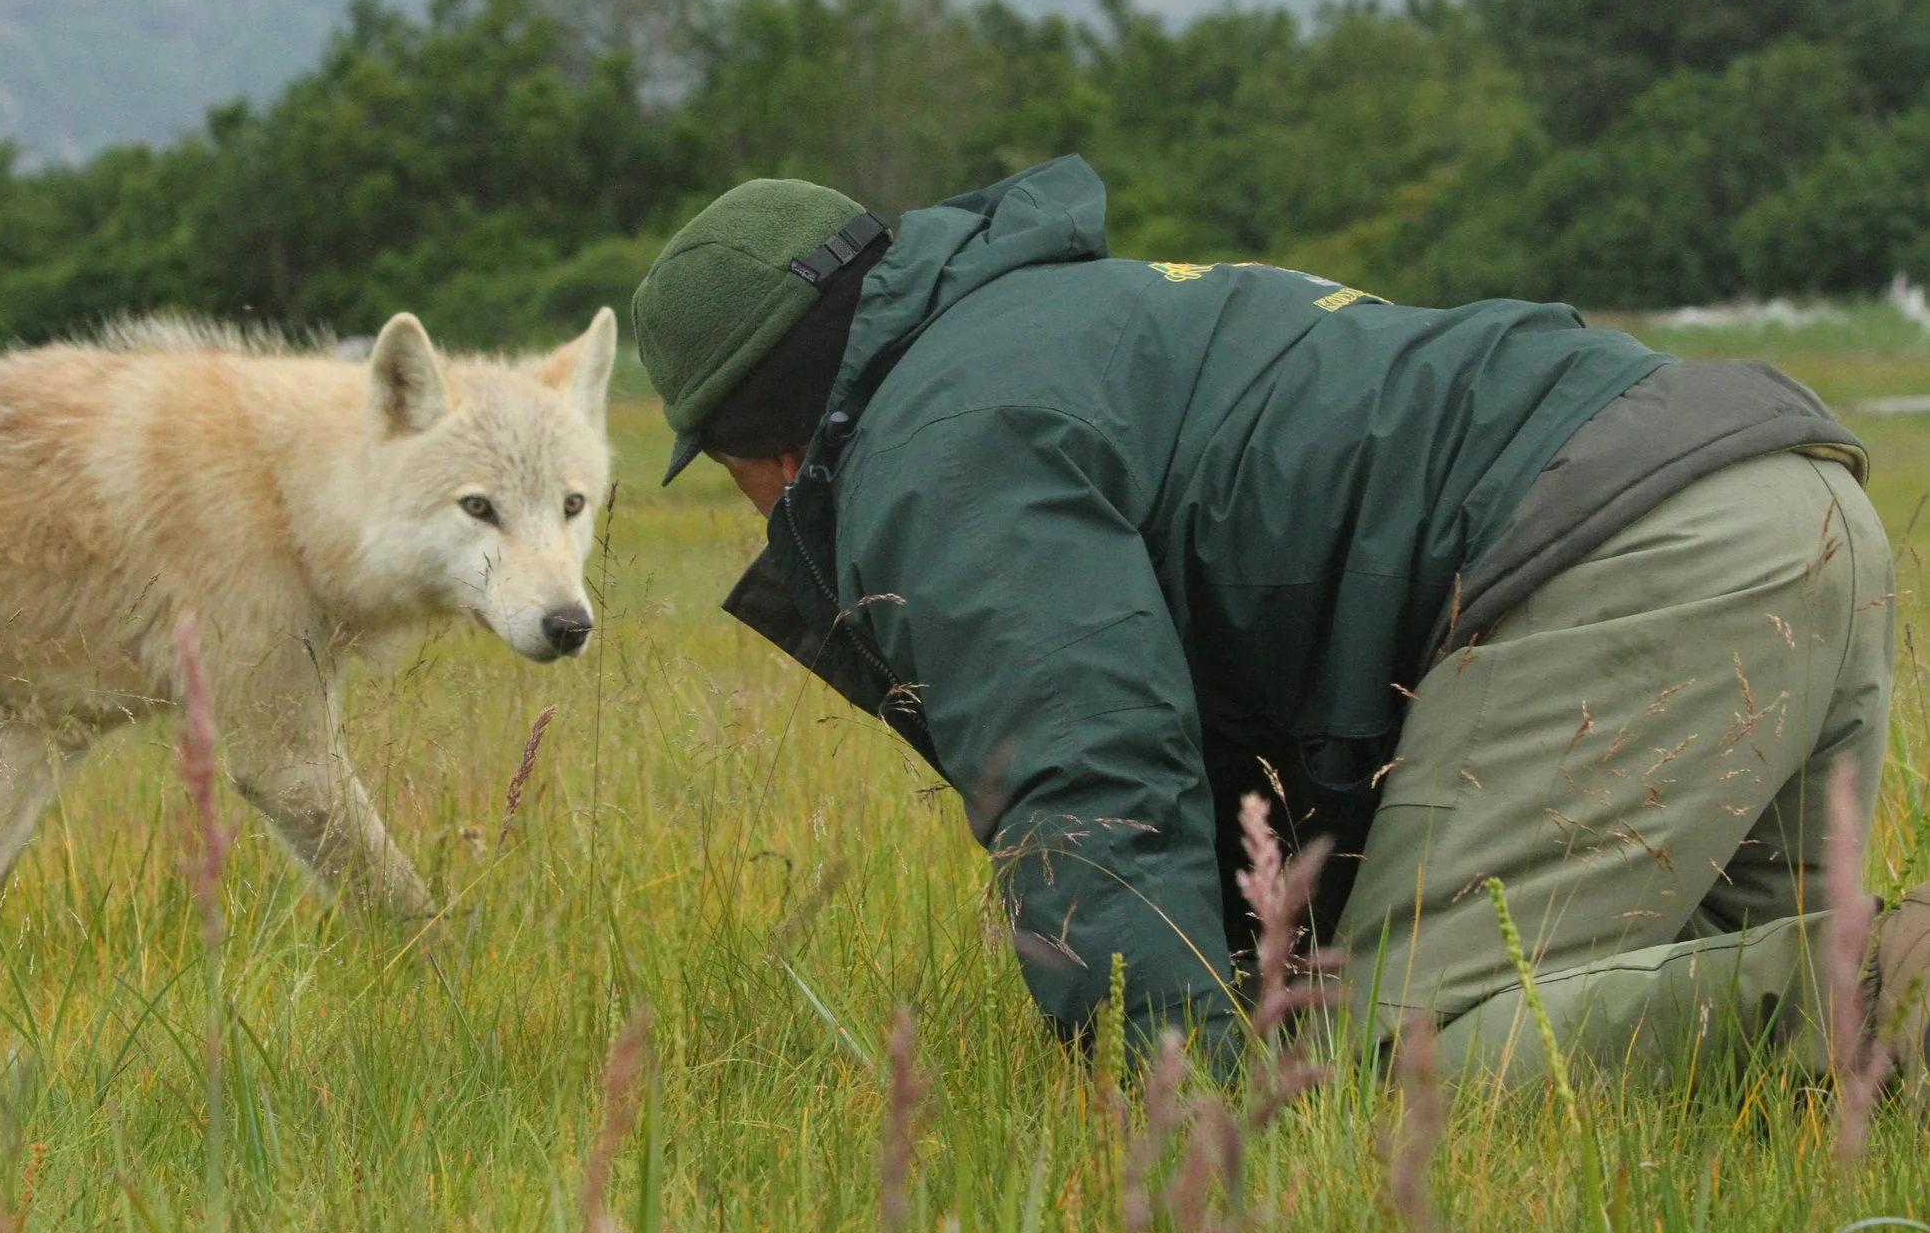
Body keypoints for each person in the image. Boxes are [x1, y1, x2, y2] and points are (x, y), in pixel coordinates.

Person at [631, 155, 1929, 1079]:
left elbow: (1089, 772)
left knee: (1415, 1063)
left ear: (764, 436)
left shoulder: (942, 439)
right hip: (1789, 492)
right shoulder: (1063, 324)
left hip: (1630, 554)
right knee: (1762, 1071)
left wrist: (1194, 1090)